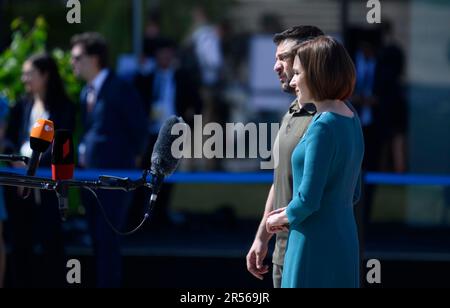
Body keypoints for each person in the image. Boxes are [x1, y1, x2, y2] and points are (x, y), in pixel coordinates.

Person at [266, 36, 364, 288]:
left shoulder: (323, 126)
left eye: (298, 73)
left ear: (317, 74)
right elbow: (354, 192)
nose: (293, 80)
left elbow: (308, 200)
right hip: (344, 239)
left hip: (312, 242)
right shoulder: (351, 118)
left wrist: (279, 218)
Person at [246, 26, 324, 288]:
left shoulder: (327, 119)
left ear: (308, 58)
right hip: (282, 255)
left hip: (310, 256)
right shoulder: (292, 110)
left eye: (283, 58)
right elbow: (280, 178)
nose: (275, 67)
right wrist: (262, 238)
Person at [70, 32, 147, 288]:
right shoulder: (86, 92)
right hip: (89, 178)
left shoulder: (120, 88)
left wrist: (129, 168)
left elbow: (139, 129)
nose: (73, 63)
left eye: (78, 57)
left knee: (108, 239)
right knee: (96, 238)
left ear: (94, 59)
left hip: (114, 179)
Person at [6, 53, 76, 287]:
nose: (24, 78)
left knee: (51, 243)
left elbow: (61, 144)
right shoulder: (22, 105)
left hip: (48, 187)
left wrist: (32, 168)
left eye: (30, 73)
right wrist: (16, 162)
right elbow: (8, 139)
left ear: (45, 75)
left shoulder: (63, 107)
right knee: (20, 243)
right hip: (21, 188)